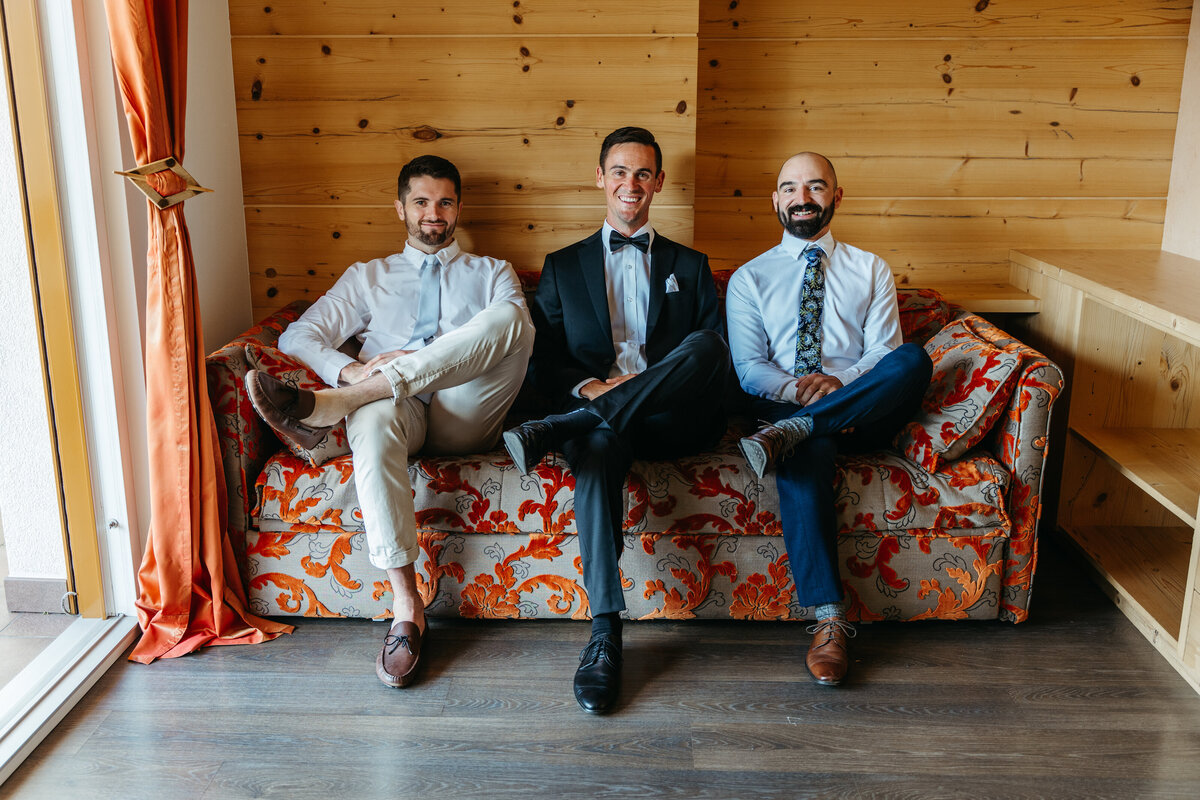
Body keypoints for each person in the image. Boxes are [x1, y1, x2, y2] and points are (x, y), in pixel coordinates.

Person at [244, 155, 533, 689]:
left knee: (513, 316)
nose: (433, 213)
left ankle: (336, 405)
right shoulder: (368, 277)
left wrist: (364, 382)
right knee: (374, 421)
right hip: (400, 414)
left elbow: (511, 336)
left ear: (458, 209)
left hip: (466, 408)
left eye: (444, 202)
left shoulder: (491, 271)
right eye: (421, 202)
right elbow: (296, 337)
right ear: (400, 207)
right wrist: (350, 368)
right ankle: (406, 607)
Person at [502, 127, 731, 714]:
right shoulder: (561, 266)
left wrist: (633, 392)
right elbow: (544, 362)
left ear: (658, 182)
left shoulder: (692, 265)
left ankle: (568, 425)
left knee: (706, 344)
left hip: (673, 419)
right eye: (620, 172)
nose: (632, 185)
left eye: (644, 174)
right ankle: (605, 631)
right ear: (601, 178)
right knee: (599, 447)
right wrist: (594, 390)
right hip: (599, 421)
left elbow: (712, 361)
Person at [725, 152, 932, 686]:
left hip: (862, 405)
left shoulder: (870, 269)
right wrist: (799, 390)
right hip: (786, 406)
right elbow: (748, 368)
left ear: (836, 197)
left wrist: (840, 385)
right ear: (775, 200)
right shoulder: (750, 279)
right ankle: (830, 621)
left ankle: (798, 429)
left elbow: (885, 352)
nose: (802, 198)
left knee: (913, 359)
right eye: (790, 188)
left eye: (816, 187)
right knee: (798, 449)